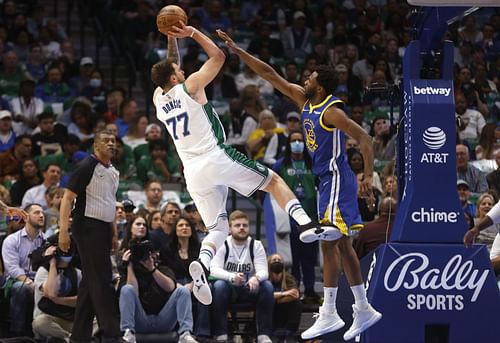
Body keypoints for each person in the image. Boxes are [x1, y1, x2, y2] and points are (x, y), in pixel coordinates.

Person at [151, 24, 339, 306]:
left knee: (218, 228)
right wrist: (191, 33)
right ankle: (307, 223)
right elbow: (218, 57)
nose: (184, 72)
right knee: (273, 181)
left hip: (191, 171)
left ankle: (202, 264)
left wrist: (170, 37)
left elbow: (170, 67)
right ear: (175, 78)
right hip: (214, 156)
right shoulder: (189, 87)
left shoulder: (158, 97)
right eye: (179, 72)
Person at [218, 29, 382, 340]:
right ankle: (363, 308)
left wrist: (367, 177)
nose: (304, 80)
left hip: (337, 178)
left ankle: (329, 311)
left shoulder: (332, 111)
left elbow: (364, 138)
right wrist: (238, 51)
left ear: (320, 86)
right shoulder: (303, 100)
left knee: (328, 241)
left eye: (309, 78)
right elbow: (270, 74)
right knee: (344, 246)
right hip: (326, 181)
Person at [58, 129, 121, 343]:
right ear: (96, 145)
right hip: (86, 227)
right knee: (102, 279)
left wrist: (113, 233)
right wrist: (64, 231)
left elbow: (110, 203)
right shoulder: (86, 166)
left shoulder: (113, 171)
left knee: (90, 281)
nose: (111, 144)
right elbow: (67, 199)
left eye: (113, 141)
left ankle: (79, 336)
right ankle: (111, 333)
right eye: (106, 141)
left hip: (103, 228)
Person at [209, 210, 274, 343]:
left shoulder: (256, 245)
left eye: (245, 225)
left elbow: (264, 271)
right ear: (230, 228)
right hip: (228, 289)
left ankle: (263, 334)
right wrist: (231, 277)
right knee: (219, 286)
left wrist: (256, 278)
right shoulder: (223, 244)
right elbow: (213, 270)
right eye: (237, 225)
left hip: (248, 288)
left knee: (267, 286)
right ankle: (221, 333)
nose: (242, 228)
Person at [119, 240, 198, 343]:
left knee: (183, 290)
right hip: (140, 320)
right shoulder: (130, 274)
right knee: (126, 289)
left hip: (164, 319)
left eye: (150, 253)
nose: (147, 257)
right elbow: (133, 291)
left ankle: (185, 334)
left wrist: (152, 269)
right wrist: (129, 265)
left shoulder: (163, 269)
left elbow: (170, 287)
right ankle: (128, 332)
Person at [1, 203, 45, 336]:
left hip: (39, 279)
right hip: (15, 280)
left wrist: (42, 284)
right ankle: (17, 333)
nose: (41, 215)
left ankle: (45, 333)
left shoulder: (46, 240)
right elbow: (12, 268)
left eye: (42, 213)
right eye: (36, 213)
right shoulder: (12, 240)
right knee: (22, 288)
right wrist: (30, 283)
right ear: (25, 217)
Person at [267, 253, 302, 338]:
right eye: (274, 260)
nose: (277, 262)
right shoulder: (265, 278)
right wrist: (284, 294)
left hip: (284, 309)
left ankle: (289, 330)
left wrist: (276, 299)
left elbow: (295, 294)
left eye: (279, 260)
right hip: (270, 311)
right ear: (268, 263)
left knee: (297, 303)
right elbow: (263, 296)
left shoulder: (288, 278)